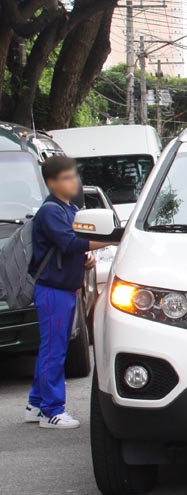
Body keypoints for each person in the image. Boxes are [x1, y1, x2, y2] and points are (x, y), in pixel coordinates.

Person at [26, 156, 110, 429]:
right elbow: (69, 242)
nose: (74, 181)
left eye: (74, 176)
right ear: (51, 183)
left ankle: (36, 404)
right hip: (53, 291)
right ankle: (52, 411)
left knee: (51, 348)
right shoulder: (51, 211)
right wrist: (112, 239)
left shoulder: (69, 207)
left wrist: (87, 256)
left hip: (63, 289)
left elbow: (73, 247)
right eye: (66, 177)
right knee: (55, 350)